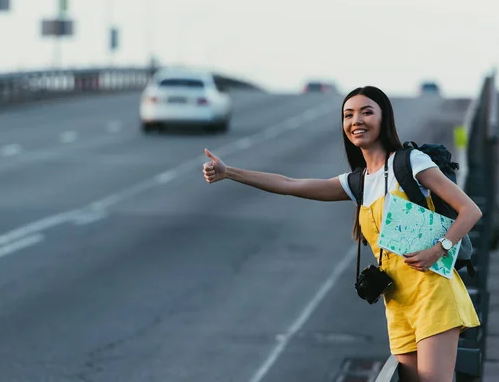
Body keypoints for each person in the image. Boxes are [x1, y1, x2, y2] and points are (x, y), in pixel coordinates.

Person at [202, 86, 481, 382]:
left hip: (433, 293)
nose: (356, 120)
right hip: (397, 302)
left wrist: (439, 249)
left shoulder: (410, 162)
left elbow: (470, 210)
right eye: (348, 115)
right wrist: (228, 172)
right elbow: (289, 184)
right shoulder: (357, 182)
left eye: (366, 112)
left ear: (384, 118)